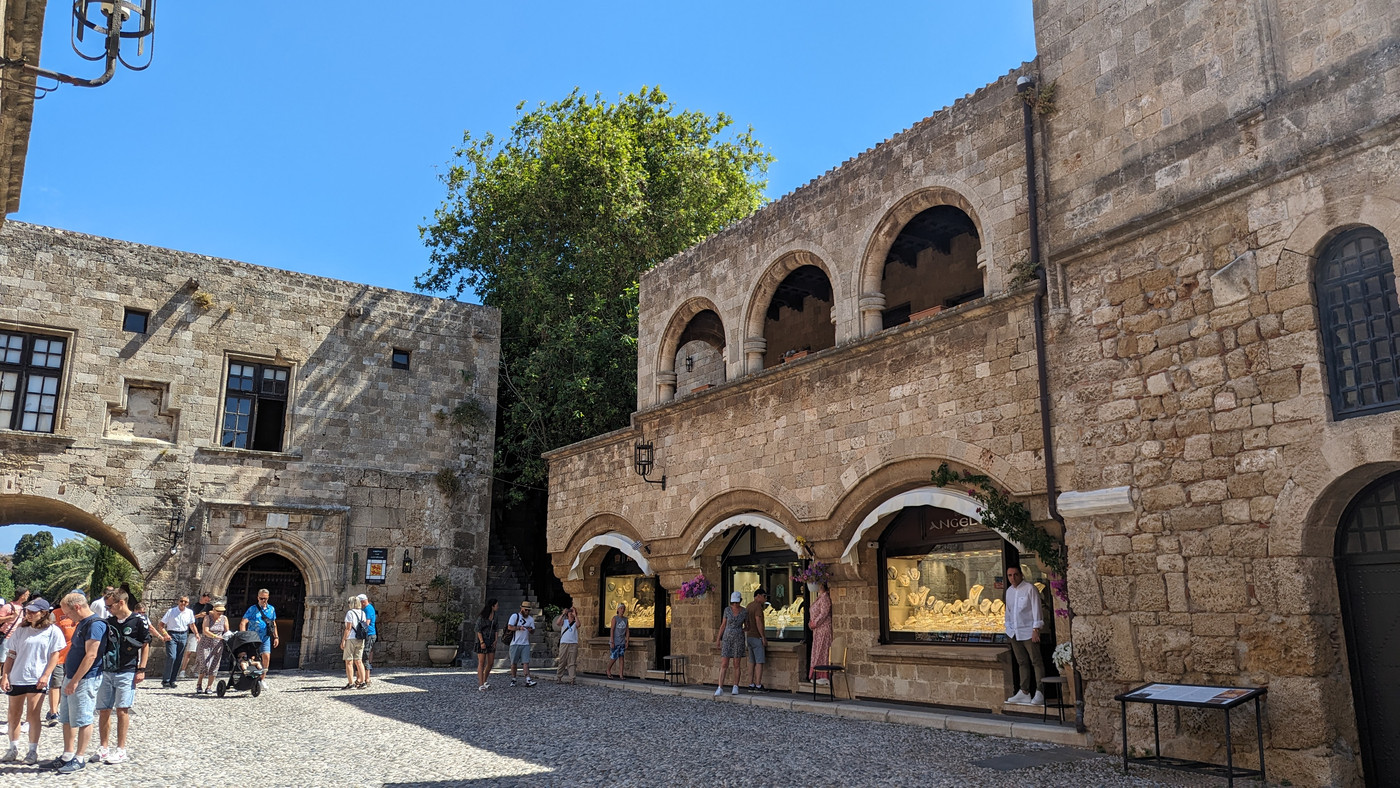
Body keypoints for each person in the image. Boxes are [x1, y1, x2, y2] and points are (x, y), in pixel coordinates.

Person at [43, 592, 105, 774]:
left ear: (77, 607)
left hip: (85, 679)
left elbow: (91, 655)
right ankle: (67, 755)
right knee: (67, 718)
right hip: (71, 676)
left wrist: (75, 680)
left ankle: (79, 757)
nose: (66, 617)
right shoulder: (82, 623)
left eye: (67, 612)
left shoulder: (95, 625)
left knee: (84, 717)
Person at [1, 599, 64, 765]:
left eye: (33, 612)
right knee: (13, 714)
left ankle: (32, 750)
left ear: (43, 613)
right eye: (27, 611)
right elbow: (11, 654)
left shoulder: (53, 631)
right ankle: (12, 747)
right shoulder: (21, 630)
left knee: (32, 715)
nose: (28, 614)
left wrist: (46, 675)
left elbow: (54, 655)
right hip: (17, 676)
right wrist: (5, 675)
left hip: (36, 678)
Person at [94, 588, 150, 765]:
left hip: (127, 670)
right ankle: (104, 747)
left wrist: (141, 669)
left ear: (121, 603)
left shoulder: (138, 621)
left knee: (122, 709)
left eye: (110, 606)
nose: (108, 609)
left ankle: (121, 749)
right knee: (103, 709)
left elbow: (145, 644)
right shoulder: (108, 622)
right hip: (108, 670)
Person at [1003, 565, 1046, 706]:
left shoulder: (1029, 589)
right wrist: (1008, 628)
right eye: (1010, 575)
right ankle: (1024, 691)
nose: (1012, 578)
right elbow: (1008, 612)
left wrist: (1036, 629)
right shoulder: (1009, 591)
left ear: (1021, 575)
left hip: (1028, 631)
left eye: (1015, 575)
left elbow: (1036, 608)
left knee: (1036, 661)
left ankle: (1040, 691)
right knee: (1022, 662)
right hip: (1014, 631)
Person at [154, 594, 195, 688]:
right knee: (172, 657)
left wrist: (196, 634)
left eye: (185, 602)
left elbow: (192, 625)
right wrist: (165, 635)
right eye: (181, 601)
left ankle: (173, 680)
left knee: (179, 658)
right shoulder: (171, 611)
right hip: (172, 635)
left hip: (183, 635)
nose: (183, 603)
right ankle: (166, 680)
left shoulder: (189, 612)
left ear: (188, 603)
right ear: (178, 602)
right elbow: (160, 625)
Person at [45, 606, 77, 726]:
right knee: (56, 683)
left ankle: (59, 710)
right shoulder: (56, 613)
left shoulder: (81, 615)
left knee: (67, 684)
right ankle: (53, 712)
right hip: (59, 656)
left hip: (74, 656)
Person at [239, 588, 279, 678]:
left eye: (265, 598)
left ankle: (262, 678)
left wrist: (276, 637)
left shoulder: (271, 609)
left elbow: (273, 623)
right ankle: (250, 677)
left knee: (266, 656)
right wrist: (244, 636)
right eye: (261, 598)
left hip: (265, 637)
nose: (263, 600)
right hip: (252, 638)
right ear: (258, 598)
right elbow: (243, 622)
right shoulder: (252, 609)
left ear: (268, 598)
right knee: (251, 658)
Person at [714, 591, 748, 696]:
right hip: (727, 638)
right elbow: (723, 625)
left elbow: (747, 626)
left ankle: (735, 686)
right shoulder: (727, 610)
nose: (735, 605)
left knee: (736, 663)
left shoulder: (744, 611)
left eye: (737, 603)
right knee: (724, 663)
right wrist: (718, 638)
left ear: (740, 601)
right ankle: (720, 687)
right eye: (733, 603)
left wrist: (743, 630)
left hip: (738, 638)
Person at [194, 603, 230, 695]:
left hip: (218, 645)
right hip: (205, 643)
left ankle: (209, 686)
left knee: (214, 665)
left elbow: (226, 631)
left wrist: (228, 636)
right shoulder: (207, 618)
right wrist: (215, 636)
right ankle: (199, 684)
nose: (220, 613)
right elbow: (205, 631)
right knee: (204, 664)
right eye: (218, 611)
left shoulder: (224, 618)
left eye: (221, 612)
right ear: (214, 610)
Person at [181, 592, 213, 679]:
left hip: (204, 632)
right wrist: (199, 615)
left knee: (201, 653)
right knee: (189, 651)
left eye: (208, 600)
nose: (207, 601)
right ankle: (183, 671)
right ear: (202, 597)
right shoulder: (193, 606)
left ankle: (196, 671)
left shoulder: (209, 607)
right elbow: (188, 618)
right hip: (194, 631)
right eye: (206, 599)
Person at [505, 601, 536, 687]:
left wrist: (531, 630)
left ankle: (528, 679)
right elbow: (509, 626)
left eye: (528, 610)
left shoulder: (530, 619)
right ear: (521, 609)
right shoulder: (515, 616)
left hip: (525, 643)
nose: (527, 612)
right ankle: (513, 678)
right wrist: (519, 628)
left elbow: (533, 630)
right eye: (526, 610)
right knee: (514, 663)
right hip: (515, 643)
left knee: (526, 662)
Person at [743, 588, 769, 692]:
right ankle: (758, 685)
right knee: (759, 662)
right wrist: (763, 636)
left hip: (749, 636)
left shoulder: (749, 606)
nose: (765, 598)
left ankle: (751, 683)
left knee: (751, 661)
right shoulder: (758, 607)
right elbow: (758, 621)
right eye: (764, 596)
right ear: (758, 596)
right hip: (756, 637)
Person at [340, 596, 368, 690]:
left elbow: (348, 628)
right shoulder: (362, 613)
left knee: (349, 661)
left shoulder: (350, 613)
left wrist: (343, 640)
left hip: (351, 638)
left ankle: (351, 683)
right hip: (361, 638)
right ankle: (363, 682)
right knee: (359, 660)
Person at [808, 582, 833, 685]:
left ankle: (823, 675)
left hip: (823, 630)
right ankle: (817, 674)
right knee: (817, 651)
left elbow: (824, 613)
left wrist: (815, 623)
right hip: (818, 630)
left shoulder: (825, 598)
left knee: (822, 651)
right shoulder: (819, 598)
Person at [0, 588, 31, 666]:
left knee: (11, 661)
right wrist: (11, 617)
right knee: (1, 661)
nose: (28, 596)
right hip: (6, 637)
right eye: (27, 594)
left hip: (17, 638)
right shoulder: (8, 606)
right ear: (22, 596)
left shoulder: (22, 608)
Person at [474, 599, 498, 692]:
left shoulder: (495, 616)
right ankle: (481, 683)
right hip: (482, 640)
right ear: (492, 606)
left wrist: (496, 640)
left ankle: (484, 680)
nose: (497, 607)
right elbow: (478, 630)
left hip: (491, 640)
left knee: (490, 662)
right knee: (481, 662)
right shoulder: (482, 617)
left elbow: (496, 628)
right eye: (496, 605)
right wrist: (481, 642)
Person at [553, 606, 579, 685]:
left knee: (572, 662)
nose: (571, 613)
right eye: (570, 611)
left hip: (573, 643)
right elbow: (557, 623)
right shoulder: (564, 621)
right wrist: (563, 614)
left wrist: (575, 615)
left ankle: (572, 679)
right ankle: (559, 677)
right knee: (562, 661)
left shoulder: (575, 622)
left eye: (572, 611)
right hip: (564, 643)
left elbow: (578, 625)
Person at [604, 603, 629, 680]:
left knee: (621, 657)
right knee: (614, 657)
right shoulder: (615, 618)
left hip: (622, 641)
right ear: (618, 610)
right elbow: (612, 629)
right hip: (615, 640)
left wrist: (627, 640)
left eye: (623, 609)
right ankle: (608, 669)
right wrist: (612, 640)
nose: (622, 610)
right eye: (621, 608)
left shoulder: (625, 619)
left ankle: (621, 674)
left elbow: (627, 630)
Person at [357, 593, 377, 687]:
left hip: (369, 634)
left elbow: (367, 623)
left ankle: (367, 678)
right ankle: (362, 678)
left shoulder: (368, 609)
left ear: (363, 602)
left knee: (365, 655)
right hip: (368, 634)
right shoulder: (367, 608)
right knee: (364, 655)